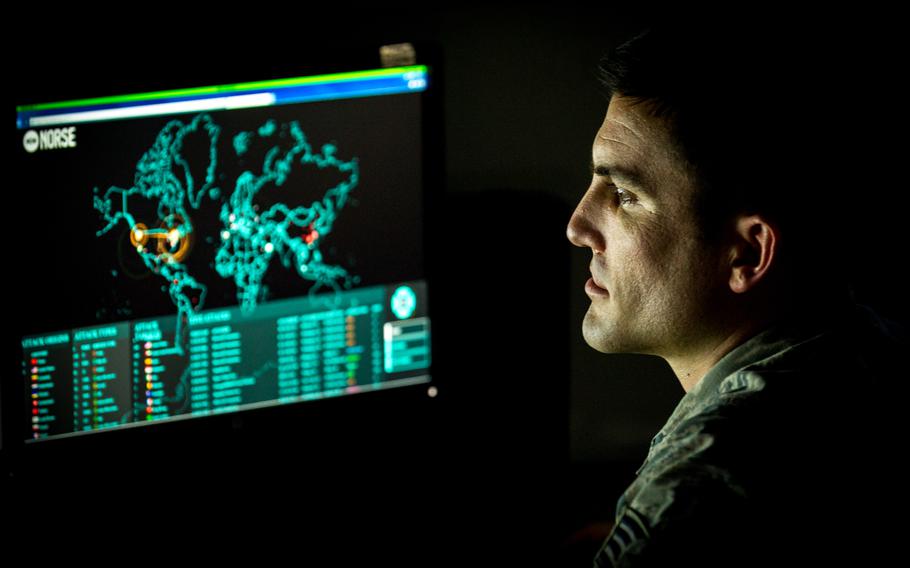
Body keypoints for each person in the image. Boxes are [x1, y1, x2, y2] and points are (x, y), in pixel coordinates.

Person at [566, 25, 907, 566]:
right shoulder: (867, 345)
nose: (578, 226)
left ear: (747, 254)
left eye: (625, 195)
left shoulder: (693, 497)